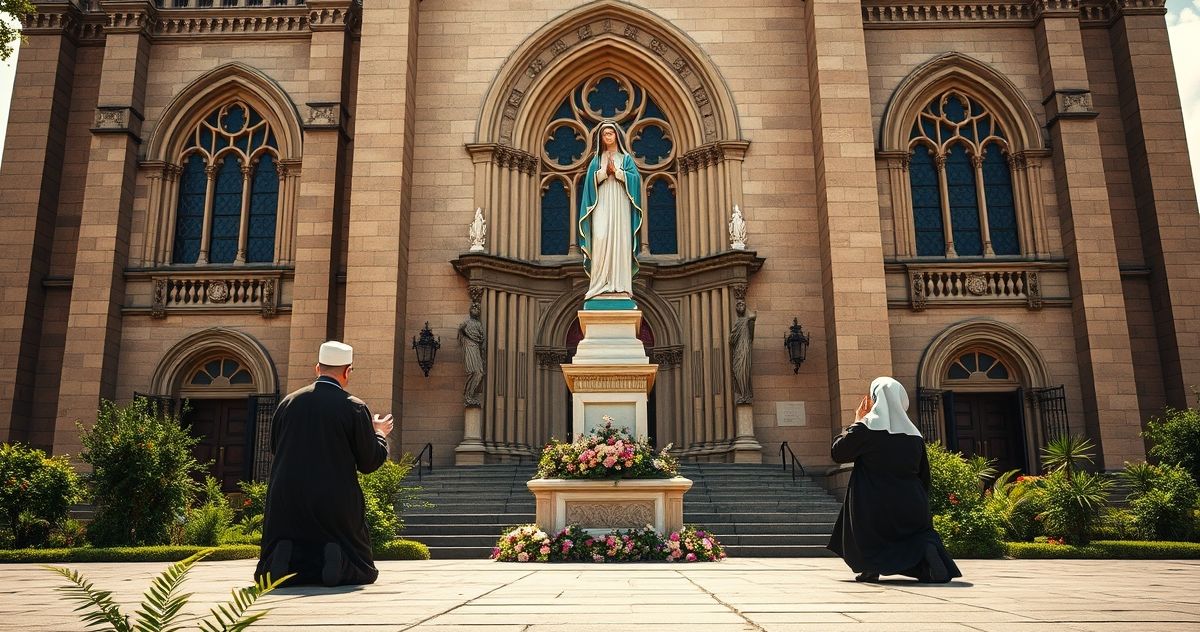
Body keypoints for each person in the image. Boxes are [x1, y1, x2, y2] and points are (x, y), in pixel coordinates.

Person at [254, 341, 394, 586]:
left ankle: (283, 558)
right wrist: (379, 434)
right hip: (333, 499)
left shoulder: (287, 403)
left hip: (286, 499)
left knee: (287, 537)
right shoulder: (353, 406)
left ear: (317, 368)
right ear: (347, 371)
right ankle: (337, 560)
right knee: (362, 566)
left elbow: (275, 447)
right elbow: (369, 461)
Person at [827, 376, 961, 583]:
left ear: (874, 398)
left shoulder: (866, 428)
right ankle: (927, 550)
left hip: (874, 501)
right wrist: (920, 498)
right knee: (917, 536)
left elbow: (838, 453)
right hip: (911, 498)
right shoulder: (914, 435)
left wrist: (857, 421)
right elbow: (923, 472)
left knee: (870, 533)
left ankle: (870, 568)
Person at [578, 120, 643, 301]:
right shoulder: (597, 160)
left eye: (611, 133)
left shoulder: (626, 159)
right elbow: (589, 186)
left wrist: (619, 173)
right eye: (605, 134)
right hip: (602, 204)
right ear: (601, 137)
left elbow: (635, 183)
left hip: (621, 204)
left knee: (620, 240)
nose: (608, 136)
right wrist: (604, 172)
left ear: (616, 136)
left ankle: (620, 284)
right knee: (600, 237)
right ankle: (599, 284)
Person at [458, 303, 486, 406]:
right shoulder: (466, 323)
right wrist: (463, 331)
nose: (476, 309)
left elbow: (482, 337)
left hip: (476, 348)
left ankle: (470, 394)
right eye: (473, 307)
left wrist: (477, 338)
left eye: (478, 308)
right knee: (473, 371)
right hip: (469, 348)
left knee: (479, 373)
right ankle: (468, 396)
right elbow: (461, 333)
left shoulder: (478, 324)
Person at [729, 299, 757, 404]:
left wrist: (751, 321)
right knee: (737, 370)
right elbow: (731, 339)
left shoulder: (747, 321)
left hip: (745, 349)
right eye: (738, 305)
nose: (740, 307)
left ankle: (744, 394)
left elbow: (751, 335)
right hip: (738, 350)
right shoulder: (739, 322)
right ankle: (742, 393)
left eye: (742, 305)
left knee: (744, 370)